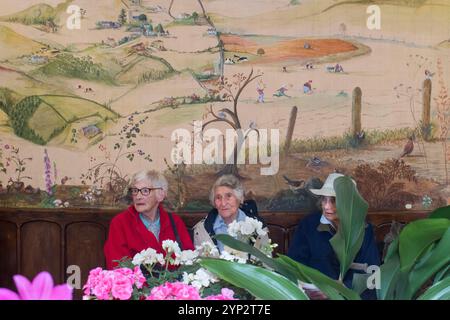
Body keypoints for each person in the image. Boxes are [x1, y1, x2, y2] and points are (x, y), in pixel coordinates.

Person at [287, 173, 380, 299]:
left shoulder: (364, 230)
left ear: (348, 203)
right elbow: (293, 264)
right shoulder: (308, 226)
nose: (326, 206)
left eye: (334, 200)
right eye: (324, 199)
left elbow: (373, 272)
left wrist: (339, 290)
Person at [104, 170, 194, 269]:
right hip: (137, 283)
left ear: (161, 194)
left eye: (145, 191)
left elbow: (189, 259)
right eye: (135, 191)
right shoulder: (120, 223)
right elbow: (118, 266)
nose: (138, 196)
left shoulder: (175, 222)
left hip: (174, 283)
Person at [193, 174, 268, 252]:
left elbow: (266, 262)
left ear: (240, 198)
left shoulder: (258, 226)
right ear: (214, 202)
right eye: (218, 197)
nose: (223, 203)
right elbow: (200, 262)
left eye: (228, 196)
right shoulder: (202, 229)